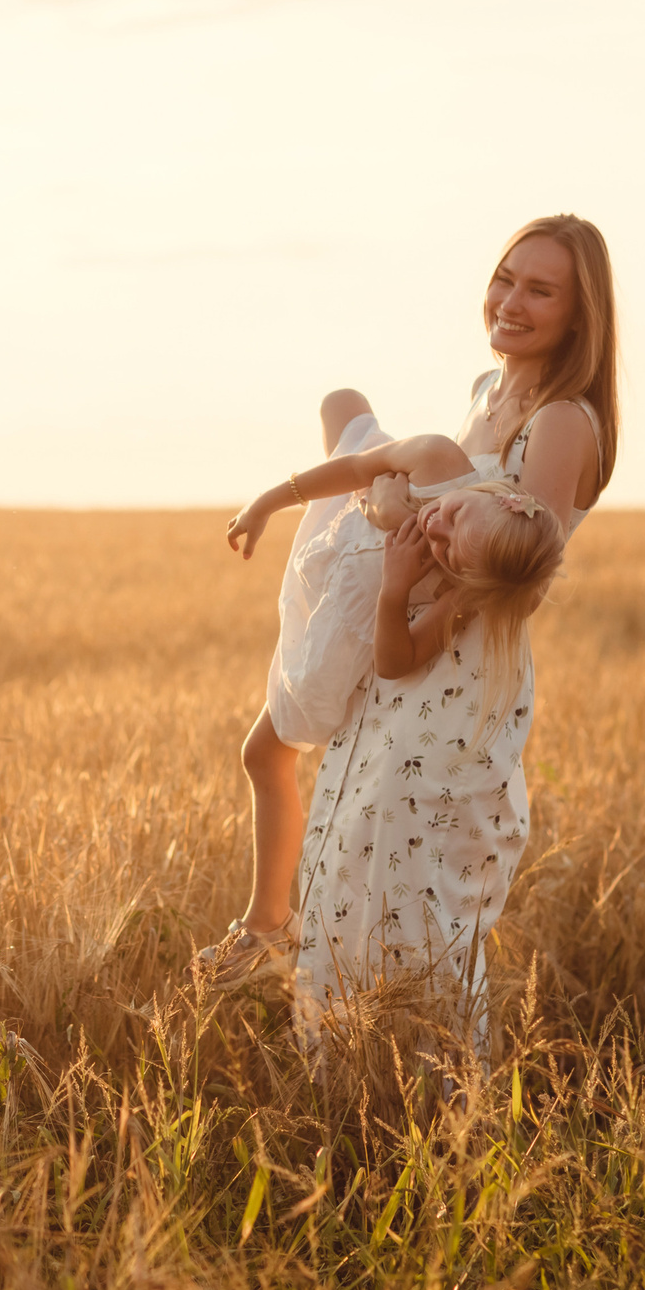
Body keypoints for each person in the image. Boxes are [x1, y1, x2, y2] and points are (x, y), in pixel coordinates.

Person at [286, 214, 620, 1052]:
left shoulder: (563, 421)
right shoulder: (486, 392)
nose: (510, 300)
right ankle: (350, 1085)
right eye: (505, 278)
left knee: (421, 898)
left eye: (539, 289)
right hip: (401, 663)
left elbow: (518, 573)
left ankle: (442, 1116)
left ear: (581, 315)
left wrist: (411, 588)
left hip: (459, 680)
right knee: (349, 872)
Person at [193, 412, 569, 989]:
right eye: (455, 517)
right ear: (496, 494)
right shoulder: (439, 459)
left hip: (346, 619)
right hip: (338, 539)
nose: (436, 534)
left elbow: (396, 662)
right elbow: (359, 467)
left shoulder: (460, 586)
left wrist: (398, 586)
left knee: (261, 753)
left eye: (447, 551)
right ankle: (268, 921)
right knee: (340, 402)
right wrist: (269, 501)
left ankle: (269, 921)